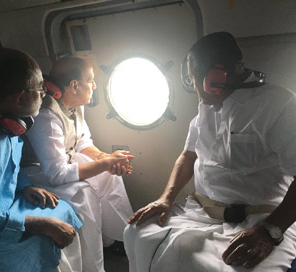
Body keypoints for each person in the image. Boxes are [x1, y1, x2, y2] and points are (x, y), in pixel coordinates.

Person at [124, 31, 296, 271]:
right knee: (135, 232)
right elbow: (188, 155)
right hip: (200, 213)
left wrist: (270, 232)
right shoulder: (206, 108)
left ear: (215, 78)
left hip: (259, 220)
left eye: (194, 78)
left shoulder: (280, 106)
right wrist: (166, 198)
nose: (193, 86)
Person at [0, 48, 82, 272]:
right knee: (43, 242)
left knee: (62, 209)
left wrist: (25, 186)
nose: (44, 96)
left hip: (6, 204)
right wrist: (40, 225)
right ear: (20, 97)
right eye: (40, 91)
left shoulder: (2, 114)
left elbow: (8, 165)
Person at [21, 56, 134, 272]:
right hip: (37, 171)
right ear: (74, 86)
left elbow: (82, 142)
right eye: (90, 80)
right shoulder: (47, 116)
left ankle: (122, 237)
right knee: (84, 194)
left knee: (110, 174)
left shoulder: (75, 104)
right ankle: (94, 266)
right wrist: (106, 162)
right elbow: (56, 173)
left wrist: (104, 158)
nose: (94, 86)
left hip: (63, 161)